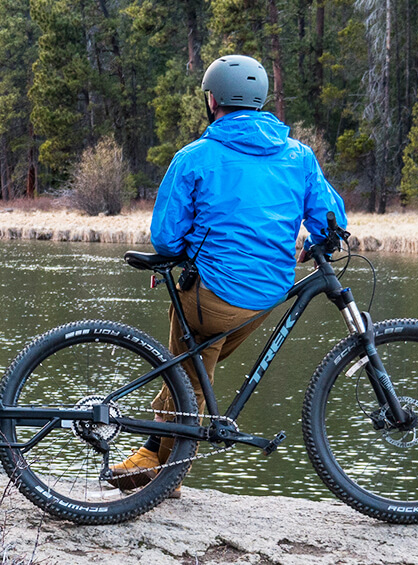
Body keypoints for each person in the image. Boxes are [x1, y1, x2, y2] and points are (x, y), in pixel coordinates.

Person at [106, 54, 348, 489]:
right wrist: (320, 241)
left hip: (212, 297)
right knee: (195, 369)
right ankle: (153, 457)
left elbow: (164, 237)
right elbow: (330, 217)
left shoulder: (194, 156)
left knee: (189, 372)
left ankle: (165, 472)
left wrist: (179, 258)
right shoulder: (299, 156)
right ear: (260, 100)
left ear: (212, 100)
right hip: (269, 296)